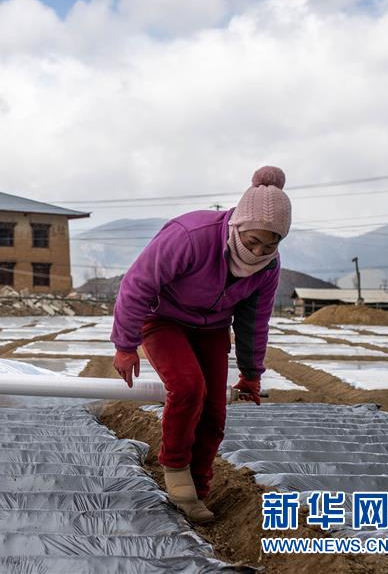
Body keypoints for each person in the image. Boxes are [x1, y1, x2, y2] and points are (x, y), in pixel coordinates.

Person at [111, 166, 291, 523]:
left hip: (211, 327)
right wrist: (125, 344)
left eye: (270, 245)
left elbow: (254, 321)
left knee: (214, 410)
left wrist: (251, 373)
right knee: (188, 387)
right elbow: (138, 284)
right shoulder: (192, 236)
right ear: (237, 226)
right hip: (163, 318)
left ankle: (199, 489)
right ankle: (176, 471)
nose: (258, 252)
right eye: (252, 241)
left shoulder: (267, 268)